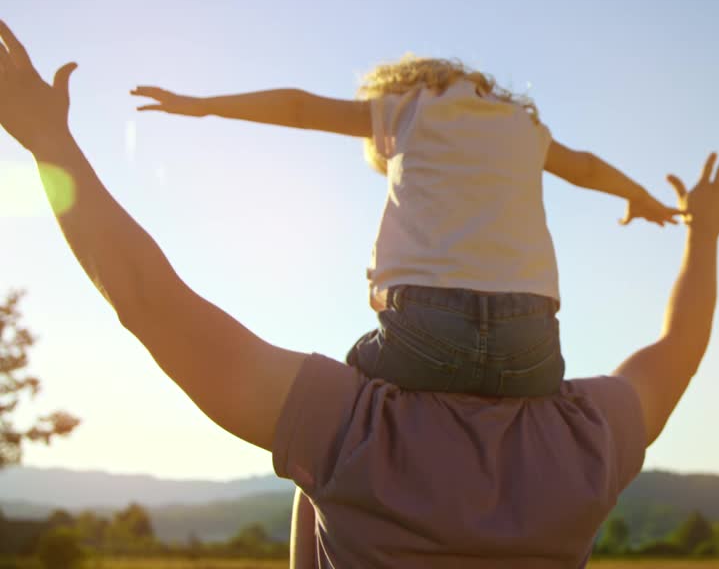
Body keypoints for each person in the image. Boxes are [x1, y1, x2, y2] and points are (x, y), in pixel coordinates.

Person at [0, 20, 719, 568]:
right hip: (533, 348)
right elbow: (678, 342)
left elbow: (148, 296)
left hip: (418, 340)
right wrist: (689, 224)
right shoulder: (589, 445)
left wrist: (65, 138)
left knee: (337, 417)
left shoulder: (349, 428)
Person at [130, 58, 678, 398]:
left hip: (423, 330)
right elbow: (583, 166)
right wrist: (640, 196)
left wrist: (201, 106)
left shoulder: (406, 107)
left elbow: (299, 108)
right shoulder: (524, 125)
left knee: (338, 421)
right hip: (531, 347)